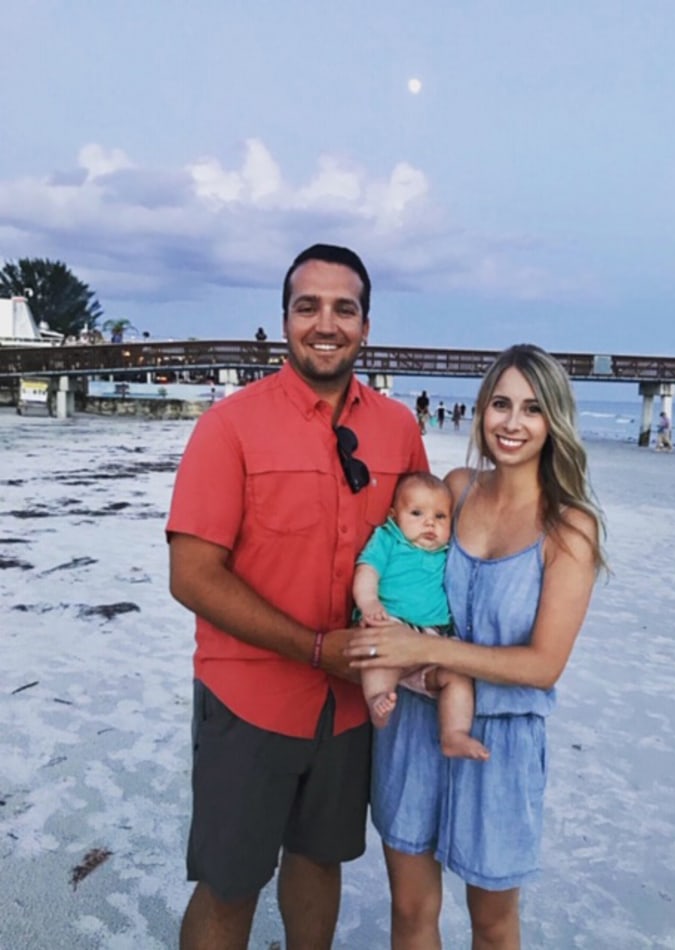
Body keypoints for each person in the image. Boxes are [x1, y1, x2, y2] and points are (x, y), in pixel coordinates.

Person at [167, 243, 428, 950]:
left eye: (344, 308)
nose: (325, 322)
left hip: (350, 706)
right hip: (246, 697)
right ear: (284, 320)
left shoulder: (399, 429)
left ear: (366, 326)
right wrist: (315, 647)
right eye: (307, 305)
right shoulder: (230, 425)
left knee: (318, 861)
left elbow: (419, 549)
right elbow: (191, 574)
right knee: (229, 884)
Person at [347, 344, 607, 949]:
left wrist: (424, 652)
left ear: (555, 422)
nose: (512, 423)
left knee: (492, 924)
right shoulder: (457, 489)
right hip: (412, 723)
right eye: (500, 404)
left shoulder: (569, 527)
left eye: (532, 409)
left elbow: (544, 665)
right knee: (411, 910)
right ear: (481, 410)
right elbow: (393, 552)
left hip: (501, 743)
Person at [353, 472, 488, 760]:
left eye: (440, 516)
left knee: (457, 676)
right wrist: (369, 603)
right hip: (393, 623)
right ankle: (378, 702)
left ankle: (454, 733)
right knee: (380, 659)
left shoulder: (446, 551)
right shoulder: (388, 539)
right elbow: (367, 571)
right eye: (416, 513)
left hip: (435, 635)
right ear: (394, 515)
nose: (430, 523)